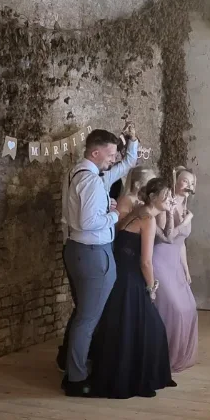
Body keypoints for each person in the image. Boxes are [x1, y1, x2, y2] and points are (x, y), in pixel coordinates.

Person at [60, 128, 138, 396]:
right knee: (87, 318)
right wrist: (117, 214)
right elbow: (88, 222)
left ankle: (70, 364)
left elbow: (126, 165)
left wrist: (132, 142)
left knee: (83, 313)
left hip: (76, 250)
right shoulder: (92, 182)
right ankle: (76, 378)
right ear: (96, 152)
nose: (114, 159)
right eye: (111, 153)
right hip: (93, 253)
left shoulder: (80, 173)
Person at [89, 177, 177, 399]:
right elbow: (145, 262)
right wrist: (152, 287)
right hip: (130, 279)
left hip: (119, 276)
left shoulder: (138, 212)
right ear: (152, 197)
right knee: (153, 328)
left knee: (127, 328)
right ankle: (140, 378)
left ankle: (134, 374)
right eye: (165, 195)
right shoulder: (147, 219)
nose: (169, 199)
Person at [153, 167, 198, 373]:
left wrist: (186, 270)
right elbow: (166, 236)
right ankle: (163, 356)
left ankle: (180, 354)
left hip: (175, 263)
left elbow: (182, 244)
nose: (189, 186)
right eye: (185, 181)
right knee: (175, 309)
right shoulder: (165, 205)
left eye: (192, 183)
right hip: (160, 260)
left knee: (190, 308)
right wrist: (186, 221)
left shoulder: (186, 205)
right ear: (175, 182)